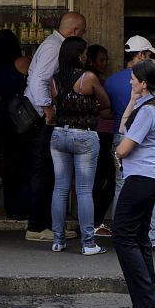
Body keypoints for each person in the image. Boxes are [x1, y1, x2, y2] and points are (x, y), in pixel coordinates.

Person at [112, 59, 155, 308]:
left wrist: (117, 153)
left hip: (142, 177)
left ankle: (147, 301)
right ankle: (147, 302)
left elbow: (125, 145)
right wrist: (133, 97)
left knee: (123, 236)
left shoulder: (149, 111)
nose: (130, 80)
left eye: (134, 78)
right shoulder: (148, 104)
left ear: (144, 82)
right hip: (149, 176)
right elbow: (124, 127)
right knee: (139, 238)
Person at [104, 36, 155, 251]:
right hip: (136, 146)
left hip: (123, 136)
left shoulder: (110, 81)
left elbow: (108, 112)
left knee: (121, 187)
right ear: (141, 55)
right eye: (149, 54)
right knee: (148, 196)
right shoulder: (153, 101)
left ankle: (123, 230)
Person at [23, 12, 87, 242]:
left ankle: (49, 224)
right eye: (83, 32)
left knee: (48, 171)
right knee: (43, 171)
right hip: (41, 118)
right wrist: (48, 109)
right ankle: (37, 226)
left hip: (41, 115)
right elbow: (39, 79)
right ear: (75, 32)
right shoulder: (54, 47)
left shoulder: (50, 44)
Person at [49, 36, 112, 255]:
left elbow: (58, 104)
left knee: (60, 189)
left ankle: (58, 240)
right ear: (78, 55)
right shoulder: (88, 78)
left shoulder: (55, 80)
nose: (87, 56)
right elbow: (106, 104)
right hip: (83, 135)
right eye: (85, 52)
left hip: (58, 134)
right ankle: (88, 243)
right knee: (84, 191)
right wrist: (93, 109)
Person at [0, 29, 31, 221]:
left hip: (4, 116)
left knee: (8, 162)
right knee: (25, 162)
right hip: (23, 117)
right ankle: (24, 206)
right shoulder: (23, 62)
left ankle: (11, 207)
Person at [85, 44, 117, 238]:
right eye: (101, 60)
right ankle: (95, 222)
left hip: (103, 133)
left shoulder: (99, 80)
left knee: (102, 179)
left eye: (106, 59)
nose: (105, 63)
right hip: (100, 133)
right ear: (91, 60)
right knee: (105, 179)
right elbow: (102, 109)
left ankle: (94, 221)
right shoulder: (92, 81)